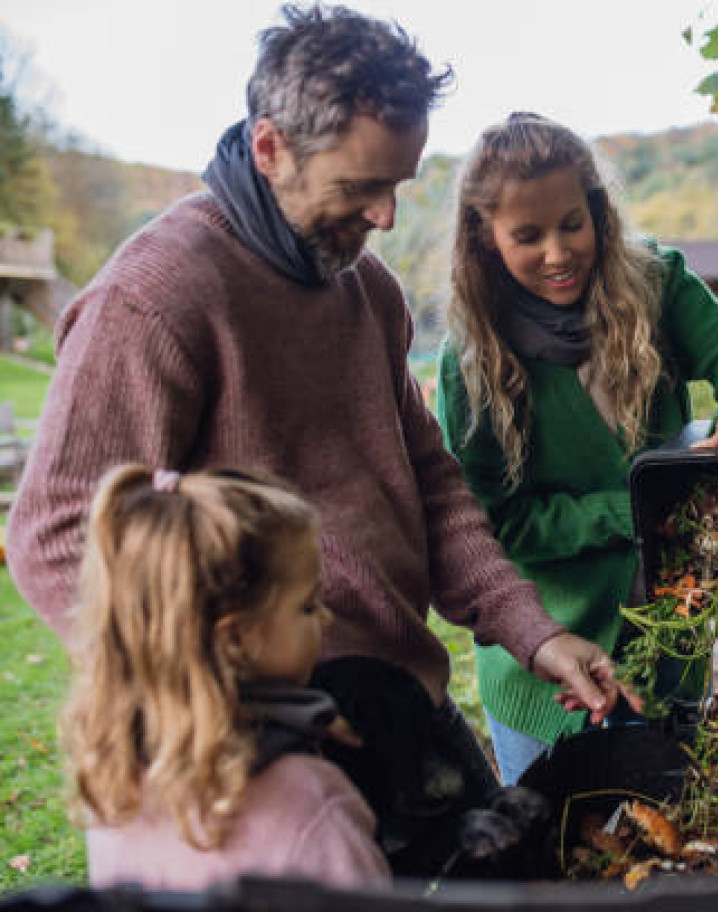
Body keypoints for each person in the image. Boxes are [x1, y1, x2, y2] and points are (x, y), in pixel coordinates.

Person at [8, 3, 627, 812]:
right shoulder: (157, 298)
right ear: (270, 148)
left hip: (400, 700)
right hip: (259, 746)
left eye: (397, 186)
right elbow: (53, 531)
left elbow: (432, 487)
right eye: (360, 187)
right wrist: (212, 704)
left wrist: (533, 631)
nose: (386, 217)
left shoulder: (367, 290)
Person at [436, 112, 718, 784]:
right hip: (546, 668)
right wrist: (634, 507)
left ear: (598, 212)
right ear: (485, 240)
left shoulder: (655, 284)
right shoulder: (473, 364)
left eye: (572, 223)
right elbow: (492, 522)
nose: (558, 252)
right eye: (527, 235)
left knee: (669, 833)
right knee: (561, 858)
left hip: (670, 642)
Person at [62, 464, 389, 889]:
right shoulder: (309, 800)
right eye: (308, 606)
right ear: (235, 638)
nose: (326, 618)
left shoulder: (113, 791)